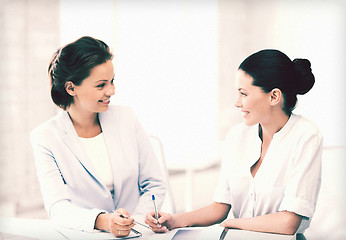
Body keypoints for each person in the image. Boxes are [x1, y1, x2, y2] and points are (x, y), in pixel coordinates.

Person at [145, 49, 322, 237]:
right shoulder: (237, 136)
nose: (237, 103)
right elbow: (220, 207)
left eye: (243, 93)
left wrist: (233, 224)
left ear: (274, 96)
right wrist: (174, 220)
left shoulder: (306, 136)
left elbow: (289, 222)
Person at [30, 36, 166, 238]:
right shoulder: (46, 137)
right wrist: (103, 221)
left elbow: (154, 184)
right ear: (71, 88)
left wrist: (134, 224)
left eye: (112, 81)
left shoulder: (126, 118)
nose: (111, 91)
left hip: (139, 234)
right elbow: (57, 208)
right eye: (101, 85)